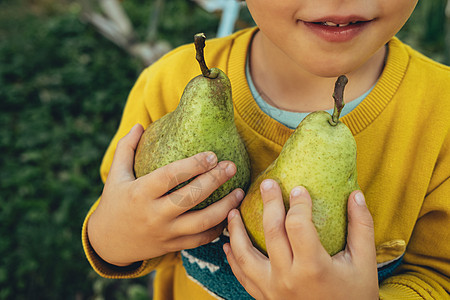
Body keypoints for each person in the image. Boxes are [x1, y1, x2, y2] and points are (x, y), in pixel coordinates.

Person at [82, 0, 450, 299]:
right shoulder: (166, 85)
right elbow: (116, 212)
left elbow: (438, 276)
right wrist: (111, 237)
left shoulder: (442, 117)